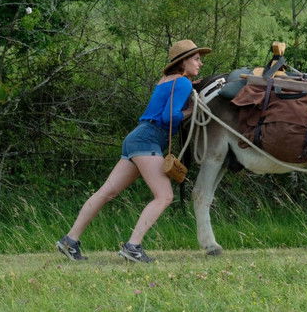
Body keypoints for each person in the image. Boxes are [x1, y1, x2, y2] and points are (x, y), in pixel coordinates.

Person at [57, 39, 211, 263]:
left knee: (105, 192)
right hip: (149, 140)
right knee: (164, 196)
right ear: (183, 62)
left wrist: (188, 86)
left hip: (136, 138)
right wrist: (190, 110)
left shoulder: (167, 81)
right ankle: (133, 246)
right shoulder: (183, 84)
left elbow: (167, 101)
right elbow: (169, 117)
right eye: (196, 59)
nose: (200, 63)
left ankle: (69, 241)